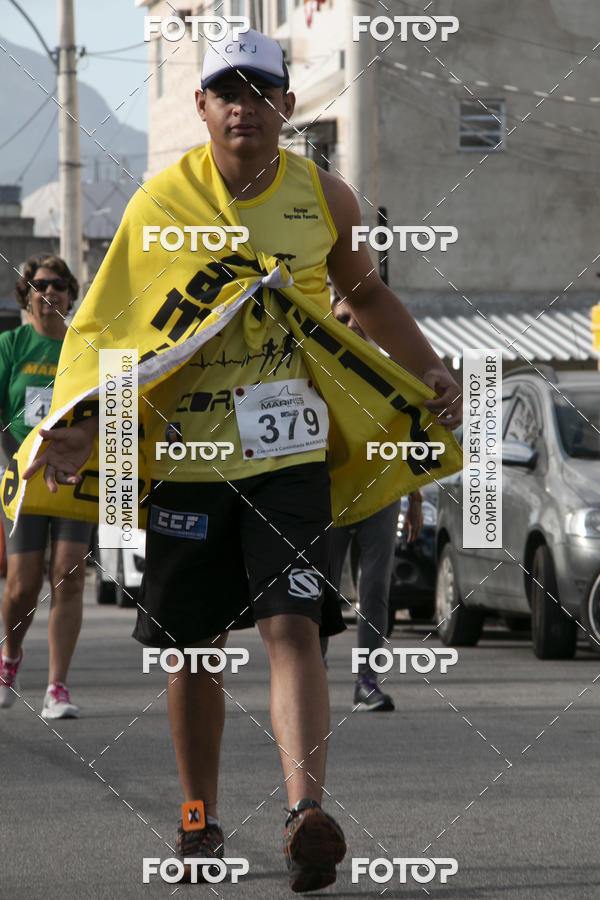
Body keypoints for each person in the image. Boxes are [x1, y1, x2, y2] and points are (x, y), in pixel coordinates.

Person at [21, 30, 462, 892]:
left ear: (286, 108)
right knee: (194, 649)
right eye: (225, 90)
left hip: (287, 452)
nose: (241, 106)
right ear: (201, 106)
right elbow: (113, 329)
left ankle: (306, 818)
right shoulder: (160, 205)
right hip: (187, 463)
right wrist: (78, 426)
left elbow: (365, 292)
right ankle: (198, 820)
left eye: (259, 92)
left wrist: (429, 365)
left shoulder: (323, 197)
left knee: (293, 626)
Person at [0, 256, 93, 717]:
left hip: (77, 476)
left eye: (59, 285)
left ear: (71, 294)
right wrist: (17, 458)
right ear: (26, 294)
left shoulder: (87, 346)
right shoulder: (11, 344)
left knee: (69, 575)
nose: (49, 292)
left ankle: (57, 687)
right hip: (27, 473)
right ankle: (10, 658)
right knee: (21, 585)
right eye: (39, 285)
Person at [323, 296, 424, 711]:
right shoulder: (318, 367)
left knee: (375, 589)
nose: (351, 323)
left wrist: (415, 497)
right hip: (330, 499)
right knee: (321, 591)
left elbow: (407, 438)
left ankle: (368, 682)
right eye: (342, 316)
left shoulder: (391, 371)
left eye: (358, 315)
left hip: (382, 494)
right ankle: (310, 678)